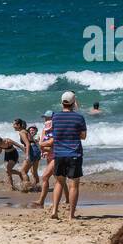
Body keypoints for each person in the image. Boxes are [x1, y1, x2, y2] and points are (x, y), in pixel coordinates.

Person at [49, 91, 87, 220]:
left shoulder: (55, 117)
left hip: (59, 153)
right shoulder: (79, 117)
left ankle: (54, 210)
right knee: (74, 185)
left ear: (62, 102)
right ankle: (71, 214)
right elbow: (83, 136)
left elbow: (55, 134)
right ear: (73, 103)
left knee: (59, 183)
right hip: (74, 153)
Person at [13, 119, 39, 191]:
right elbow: (32, 141)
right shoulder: (25, 131)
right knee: (34, 171)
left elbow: (27, 144)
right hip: (36, 150)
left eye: (14, 124)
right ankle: (37, 187)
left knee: (23, 171)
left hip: (32, 151)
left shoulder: (22, 132)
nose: (13, 126)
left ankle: (28, 188)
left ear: (18, 125)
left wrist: (27, 155)